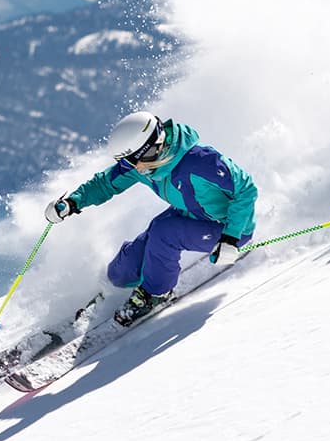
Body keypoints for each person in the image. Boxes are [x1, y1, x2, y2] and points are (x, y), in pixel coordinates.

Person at [44, 109, 257, 325]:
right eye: (127, 162)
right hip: (190, 215)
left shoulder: (201, 162)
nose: (135, 168)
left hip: (228, 227)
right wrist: (72, 202)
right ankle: (115, 288)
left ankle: (156, 294)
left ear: (155, 147)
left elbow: (246, 190)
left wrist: (230, 237)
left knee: (164, 233)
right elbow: (105, 182)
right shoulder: (143, 165)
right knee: (130, 259)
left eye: (136, 160)